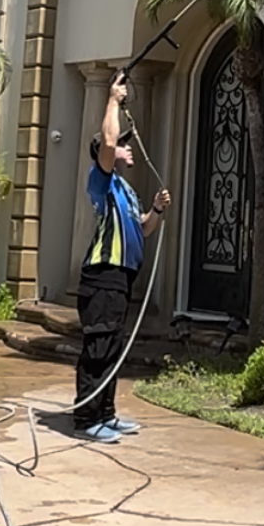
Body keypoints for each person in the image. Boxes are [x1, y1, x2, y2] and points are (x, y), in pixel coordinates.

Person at [72, 72, 170, 442]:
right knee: (98, 346)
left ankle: (106, 414)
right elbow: (109, 141)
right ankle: (86, 418)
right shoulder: (102, 178)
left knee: (112, 346)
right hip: (101, 276)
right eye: (121, 146)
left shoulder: (126, 191)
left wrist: (157, 211)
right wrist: (113, 99)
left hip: (122, 277)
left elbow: (142, 229)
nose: (127, 149)